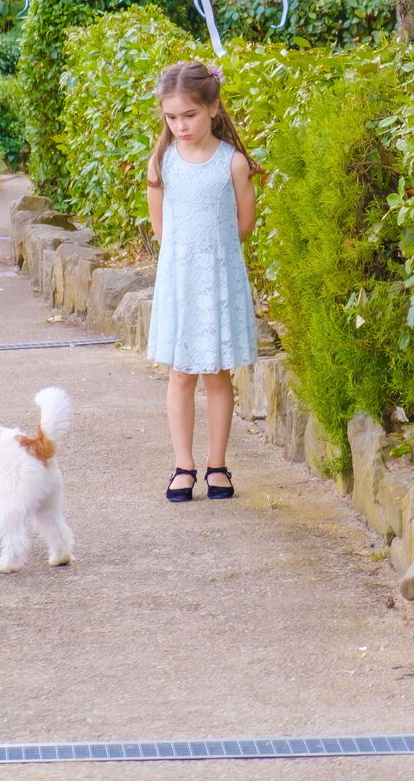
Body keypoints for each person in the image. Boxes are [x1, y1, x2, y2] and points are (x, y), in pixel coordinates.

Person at [144, 60, 262, 502]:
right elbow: (161, 229)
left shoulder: (233, 163)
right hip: (180, 281)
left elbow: (243, 225)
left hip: (218, 279)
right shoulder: (162, 163)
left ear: (213, 108)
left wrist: (211, 255)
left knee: (216, 374)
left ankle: (217, 465)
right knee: (180, 374)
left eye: (189, 115)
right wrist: (183, 258)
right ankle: (183, 466)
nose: (180, 126)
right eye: (171, 117)